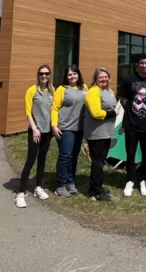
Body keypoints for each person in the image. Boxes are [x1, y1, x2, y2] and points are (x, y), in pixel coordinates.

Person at [119, 53, 146, 197]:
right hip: (131, 125)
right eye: (141, 63)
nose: (144, 66)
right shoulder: (128, 79)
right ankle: (130, 180)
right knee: (130, 155)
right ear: (138, 64)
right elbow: (123, 100)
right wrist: (132, 112)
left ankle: (143, 181)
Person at [15, 64, 54, 208]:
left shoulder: (52, 91)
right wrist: (34, 128)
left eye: (46, 73)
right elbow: (28, 112)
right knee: (30, 160)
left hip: (47, 132)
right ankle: (20, 192)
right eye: (41, 73)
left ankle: (38, 187)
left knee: (42, 159)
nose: (44, 76)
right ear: (38, 75)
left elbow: (53, 110)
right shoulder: (31, 90)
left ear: (50, 75)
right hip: (35, 131)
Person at [51, 64, 87, 197]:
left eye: (74, 73)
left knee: (74, 156)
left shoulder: (84, 88)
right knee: (65, 156)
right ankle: (60, 185)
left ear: (78, 74)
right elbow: (54, 108)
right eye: (69, 74)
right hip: (65, 128)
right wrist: (54, 126)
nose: (72, 76)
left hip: (79, 128)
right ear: (66, 76)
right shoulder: (62, 89)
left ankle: (70, 181)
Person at [84, 68, 118, 202]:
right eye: (101, 77)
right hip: (96, 133)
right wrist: (112, 113)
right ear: (96, 79)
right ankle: (96, 191)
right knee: (97, 163)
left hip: (107, 132)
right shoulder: (93, 92)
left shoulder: (109, 91)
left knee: (100, 162)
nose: (104, 79)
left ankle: (96, 187)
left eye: (106, 77)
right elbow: (96, 112)